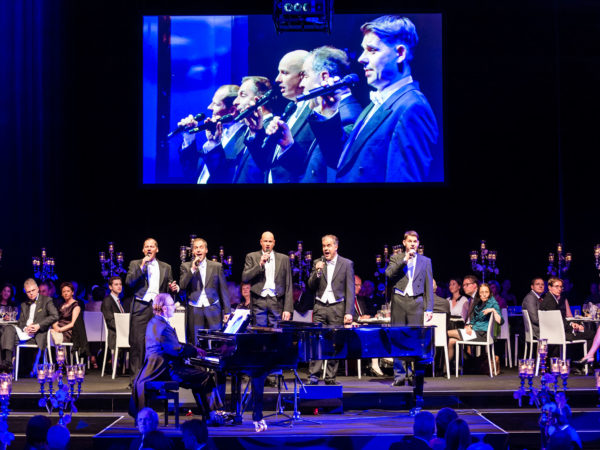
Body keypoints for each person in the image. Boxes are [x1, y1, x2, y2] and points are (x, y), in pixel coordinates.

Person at [309, 15, 438, 182]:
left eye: (372, 50)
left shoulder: (412, 108)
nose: (361, 58)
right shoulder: (378, 103)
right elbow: (341, 161)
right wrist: (329, 110)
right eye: (363, 50)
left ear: (400, 53)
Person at [266, 46, 362, 183]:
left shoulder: (347, 114)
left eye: (305, 76)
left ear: (324, 77)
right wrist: (288, 144)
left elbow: (337, 164)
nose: (302, 83)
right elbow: (312, 166)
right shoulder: (333, 111)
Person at [130, 294, 222, 425]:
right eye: (172, 305)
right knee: (205, 377)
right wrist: (195, 351)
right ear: (164, 308)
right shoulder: (163, 327)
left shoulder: (154, 322)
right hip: (166, 370)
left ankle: (208, 415)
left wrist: (192, 348)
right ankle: (212, 415)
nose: (174, 307)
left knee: (198, 375)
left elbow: (172, 345)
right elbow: (176, 350)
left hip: (155, 368)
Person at [245, 50, 313, 183]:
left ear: (303, 75)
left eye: (285, 73)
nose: (277, 79)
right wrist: (257, 131)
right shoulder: (290, 110)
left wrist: (288, 146)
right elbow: (266, 163)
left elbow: (314, 166)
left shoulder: (316, 114)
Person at [126, 238, 178, 381]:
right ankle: (136, 380)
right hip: (141, 306)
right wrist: (142, 266)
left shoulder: (166, 267)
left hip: (158, 308)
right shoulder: (135, 264)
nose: (149, 249)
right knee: (137, 343)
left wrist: (173, 288)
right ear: (143, 250)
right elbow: (129, 283)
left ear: (157, 249)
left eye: (152, 246)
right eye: (146, 246)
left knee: (159, 343)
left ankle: (155, 376)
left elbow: (169, 287)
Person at [385, 230, 433, 386]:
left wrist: (429, 308)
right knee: (398, 337)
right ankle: (399, 375)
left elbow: (428, 286)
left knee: (415, 339)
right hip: (399, 300)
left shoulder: (425, 261)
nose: (412, 244)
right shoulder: (396, 258)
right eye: (410, 241)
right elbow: (389, 274)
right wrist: (404, 260)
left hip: (416, 302)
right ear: (404, 242)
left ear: (418, 243)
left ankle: (414, 375)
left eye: (415, 241)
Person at [307, 234, 355, 385]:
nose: (326, 249)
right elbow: (311, 286)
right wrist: (317, 272)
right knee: (316, 341)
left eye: (329, 245)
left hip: (337, 308)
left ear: (336, 247)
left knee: (335, 343)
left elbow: (350, 290)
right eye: (324, 246)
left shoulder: (346, 264)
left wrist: (349, 312)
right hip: (320, 306)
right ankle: (313, 376)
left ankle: (330, 377)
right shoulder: (317, 262)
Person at [177, 84, 240, 183]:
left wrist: (214, 144)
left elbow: (224, 177)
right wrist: (189, 137)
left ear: (232, 110)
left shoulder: (243, 139)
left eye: (216, 104)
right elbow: (191, 172)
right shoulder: (219, 133)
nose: (209, 107)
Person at [180, 238, 231, 340]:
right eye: (196, 248)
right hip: (195, 309)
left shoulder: (216, 266)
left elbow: (223, 289)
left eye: (201, 247)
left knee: (215, 340)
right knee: (196, 341)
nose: (198, 250)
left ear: (206, 250)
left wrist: (227, 311)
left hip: (213, 308)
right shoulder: (185, 266)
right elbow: (182, 285)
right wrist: (192, 269)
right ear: (193, 251)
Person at [1, 279, 58, 367]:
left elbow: (55, 316)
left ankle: (6, 364)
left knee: (5, 334)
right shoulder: (24, 304)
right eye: (28, 292)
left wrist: (38, 325)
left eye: (33, 290)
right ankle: (7, 362)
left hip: (37, 334)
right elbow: (21, 322)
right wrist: (25, 328)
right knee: (7, 329)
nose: (31, 293)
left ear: (37, 289)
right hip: (24, 333)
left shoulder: (47, 301)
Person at [241, 231, 293, 327]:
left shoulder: (284, 259)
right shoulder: (252, 256)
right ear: (261, 242)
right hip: (259, 300)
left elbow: (288, 284)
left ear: (274, 243)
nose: (268, 244)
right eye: (265, 241)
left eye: (270, 241)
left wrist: (287, 309)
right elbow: (245, 277)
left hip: (276, 301)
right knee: (259, 332)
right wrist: (260, 264)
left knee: (276, 332)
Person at [447, 283, 503, 364]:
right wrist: (469, 326)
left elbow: (500, 321)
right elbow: (473, 320)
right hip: (474, 333)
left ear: (489, 293)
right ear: (479, 294)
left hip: (481, 335)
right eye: (482, 292)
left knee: (447, 333)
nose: (484, 294)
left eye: (486, 292)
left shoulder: (493, 303)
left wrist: (493, 310)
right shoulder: (479, 304)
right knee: (451, 341)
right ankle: (446, 368)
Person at [539, 278, 594, 356]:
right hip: (559, 334)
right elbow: (558, 322)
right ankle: (585, 360)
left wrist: (572, 324)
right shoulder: (550, 302)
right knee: (591, 334)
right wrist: (574, 328)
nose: (559, 289)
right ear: (549, 287)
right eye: (556, 286)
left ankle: (577, 359)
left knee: (583, 331)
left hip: (553, 333)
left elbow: (558, 320)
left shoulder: (548, 299)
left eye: (561, 287)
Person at [50, 282, 89, 359]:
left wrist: (60, 330)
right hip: (59, 330)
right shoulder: (61, 305)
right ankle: (53, 361)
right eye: (64, 291)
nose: (66, 293)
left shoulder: (76, 306)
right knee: (46, 335)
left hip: (68, 332)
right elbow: (56, 319)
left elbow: (73, 324)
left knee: (51, 336)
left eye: (68, 291)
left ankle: (60, 360)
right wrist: (55, 326)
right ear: (61, 294)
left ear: (72, 292)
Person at [102, 276, 128, 371]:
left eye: (120, 284)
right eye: (116, 284)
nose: (119, 286)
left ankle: (133, 367)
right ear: (110, 287)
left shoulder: (119, 301)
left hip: (123, 332)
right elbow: (110, 321)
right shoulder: (107, 301)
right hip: (115, 333)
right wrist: (125, 329)